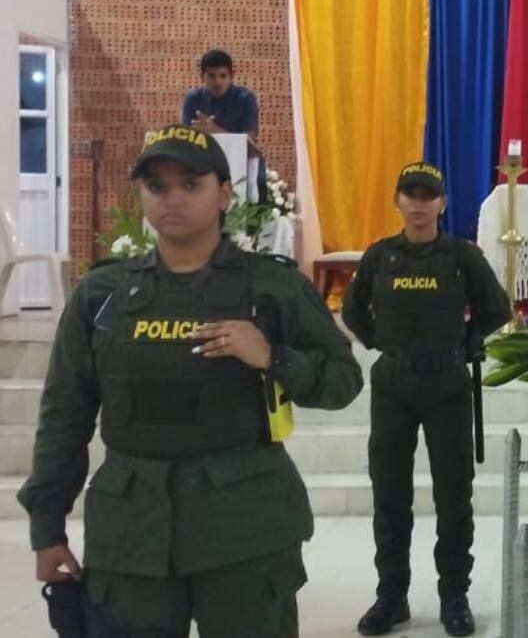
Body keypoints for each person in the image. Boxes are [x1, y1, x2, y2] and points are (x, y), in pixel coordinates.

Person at [18, 124, 363, 637]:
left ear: (223, 193)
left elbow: (342, 381)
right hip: (131, 531)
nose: (172, 198)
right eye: (156, 185)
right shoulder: (102, 295)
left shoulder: (271, 288)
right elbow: (64, 415)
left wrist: (271, 356)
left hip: (244, 528)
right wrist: (47, 527)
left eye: (190, 184)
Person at [342, 161, 511, 637]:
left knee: (453, 496)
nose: (418, 204)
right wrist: (381, 343)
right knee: (389, 495)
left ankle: (454, 596)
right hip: (393, 384)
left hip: (447, 384)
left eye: (427, 196)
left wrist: (466, 342)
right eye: (410, 195)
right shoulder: (379, 257)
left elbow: (497, 309)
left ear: (442, 203)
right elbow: (353, 310)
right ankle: (390, 597)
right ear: (397, 202)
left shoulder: (462, 257)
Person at [181, 49, 260, 137]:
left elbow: (249, 141)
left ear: (231, 76)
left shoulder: (246, 99)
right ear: (202, 76)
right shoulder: (192, 98)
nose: (218, 82)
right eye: (211, 76)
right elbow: (184, 138)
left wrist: (215, 131)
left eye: (223, 76)